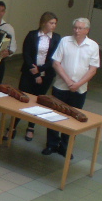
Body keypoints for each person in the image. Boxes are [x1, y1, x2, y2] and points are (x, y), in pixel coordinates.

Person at [43, 18, 100, 157]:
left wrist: (78, 84)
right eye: (75, 27)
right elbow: (56, 63)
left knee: (74, 118)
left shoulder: (93, 46)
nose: (77, 31)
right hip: (61, 86)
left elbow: (93, 69)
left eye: (80, 28)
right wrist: (69, 81)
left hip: (79, 89)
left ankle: (65, 147)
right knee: (54, 115)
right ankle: (51, 144)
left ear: (87, 30)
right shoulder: (65, 41)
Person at [15, 12, 61, 142]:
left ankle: (31, 127)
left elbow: (54, 58)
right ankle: (13, 125)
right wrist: (35, 72)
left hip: (46, 74)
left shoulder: (57, 38)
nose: (54, 26)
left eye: (55, 23)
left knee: (38, 100)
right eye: (51, 23)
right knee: (22, 98)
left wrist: (40, 70)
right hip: (29, 72)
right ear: (43, 23)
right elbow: (26, 54)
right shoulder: (32, 35)